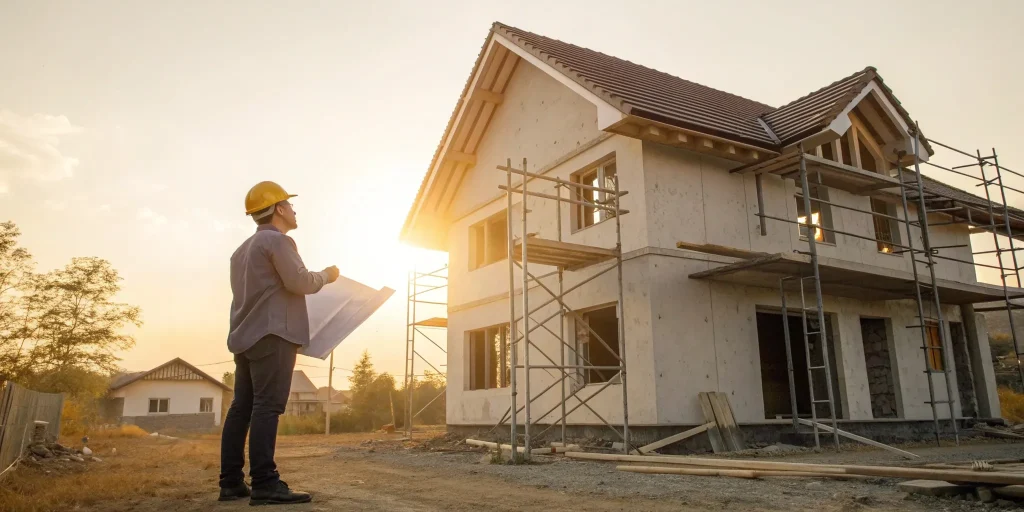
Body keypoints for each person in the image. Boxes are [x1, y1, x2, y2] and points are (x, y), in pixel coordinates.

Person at [219, 181, 340, 506]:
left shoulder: (240, 251)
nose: (295, 210)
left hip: (244, 338)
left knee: (241, 408)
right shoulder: (280, 241)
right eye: (290, 204)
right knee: (267, 407)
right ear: (279, 209)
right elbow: (300, 282)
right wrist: (328, 275)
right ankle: (265, 483)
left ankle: (230, 483)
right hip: (273, 336)